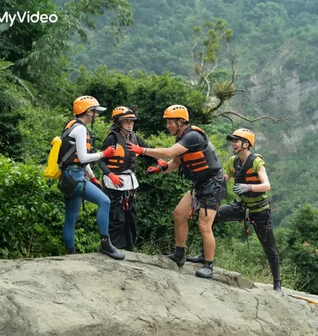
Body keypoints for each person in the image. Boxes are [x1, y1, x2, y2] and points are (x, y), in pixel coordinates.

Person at [127, 104, 226, 279]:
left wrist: (142, 150)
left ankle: (208, 265)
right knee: (179, 213)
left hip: (213, 185)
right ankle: (179, 254)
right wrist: (159, 170)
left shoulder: (193, 136)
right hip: (200, 185)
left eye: (170, 122)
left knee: (204, 225)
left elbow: (169, 153)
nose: (167, 126)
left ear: (181, 121)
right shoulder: (182, 139)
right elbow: (175, 162)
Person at [186, 128, 282, 291]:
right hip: (241, 206)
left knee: (270, 248)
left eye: (236, 141)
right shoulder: (233, 161)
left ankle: (277, 283)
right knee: (212, 218)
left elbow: (267, 185)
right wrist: (203, 198)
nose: (233, 144)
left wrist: (248, 187)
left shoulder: (256, 161)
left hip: (259, 210)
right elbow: (222, 182)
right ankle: (204, 256)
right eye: (233, 141)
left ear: (246, 144)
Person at [58, 95, 124, 260]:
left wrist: (93, 177)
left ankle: (70, 253)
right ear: (88, 111)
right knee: (105, 201)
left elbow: (77, 158)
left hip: (68, 177)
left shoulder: (71, 126)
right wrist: (104, 153)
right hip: (75, 177)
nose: (97, 115)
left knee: (71, 218)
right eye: (95, 111)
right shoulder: (80, 129)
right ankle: (105, 244)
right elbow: (82, 158)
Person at [98, 106, 168, 251]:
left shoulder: (134, 137)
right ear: (118, 122)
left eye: (132, 121)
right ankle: (113, 246)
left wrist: (158, 161)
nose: (130, 124)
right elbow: (100, 160)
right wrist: (110, 174)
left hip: (129, 182)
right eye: (126, 121)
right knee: (116, 217)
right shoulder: (112, 138)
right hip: (113, 182)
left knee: (130, 216)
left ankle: (129, 247)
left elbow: (146, 150)